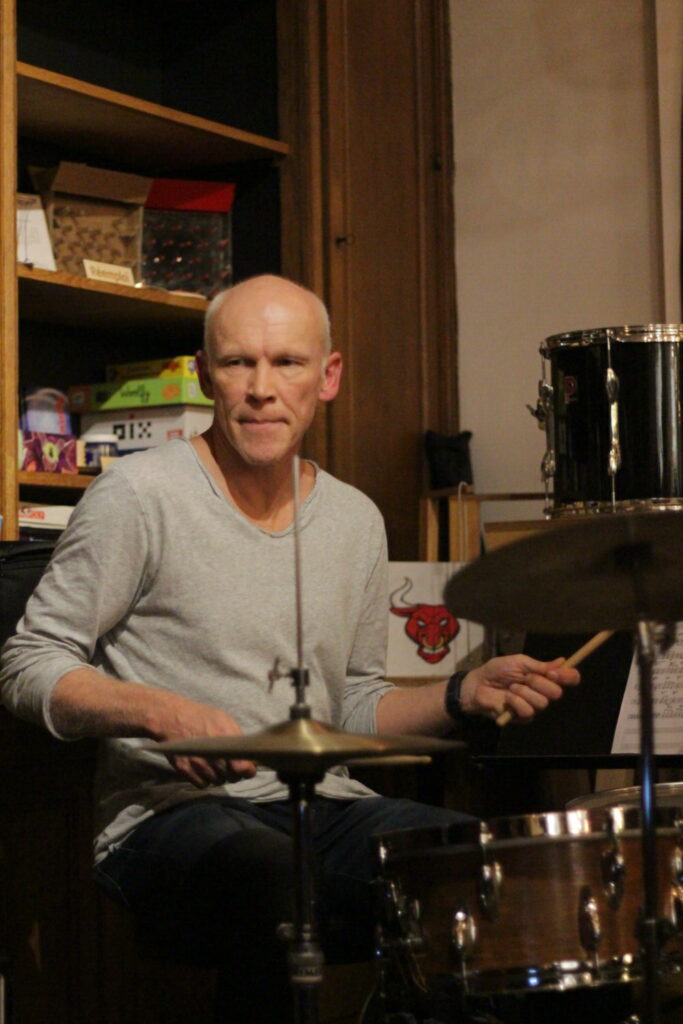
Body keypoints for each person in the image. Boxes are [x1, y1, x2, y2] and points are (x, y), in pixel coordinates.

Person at [0, 275, 579, 1023]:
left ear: (328, 377)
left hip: (322, 807)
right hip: (168, 819)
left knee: (484, 865)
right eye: (238, 362)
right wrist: (158, 711)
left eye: (287, 363)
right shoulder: (138, 496)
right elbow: (29, 662)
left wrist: (460, 694)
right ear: (205, 373)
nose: (261, 389)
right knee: (275, 878)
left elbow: (354, 703)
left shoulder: (354, 521)